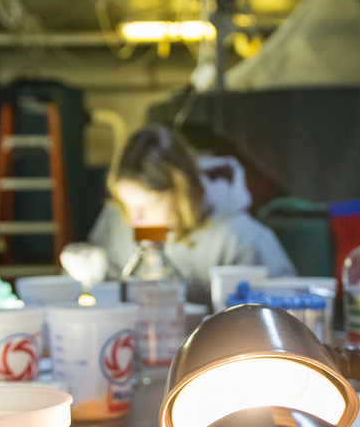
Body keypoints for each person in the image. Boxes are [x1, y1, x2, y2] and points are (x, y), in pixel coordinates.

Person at [84, 122, 296, 305]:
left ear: (181, 193)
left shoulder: (239, 238)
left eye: (147, 206)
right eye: (125, 205)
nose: (134, 220)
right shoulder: (117, 220)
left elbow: (285, 308)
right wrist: (86, 274)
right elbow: (99, 292)